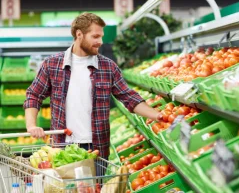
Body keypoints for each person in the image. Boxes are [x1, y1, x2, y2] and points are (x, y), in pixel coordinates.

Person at [23, 12, 162, 160]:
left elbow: (129, 98)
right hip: (63, 147)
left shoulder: (108, 67)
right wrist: (31, 125)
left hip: (97, 149)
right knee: (67, 184)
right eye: (95, 37)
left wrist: (158, 116)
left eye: (101, 36)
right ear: (79, 34)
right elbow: (34, 95)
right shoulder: (53, 64)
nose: (101, 41)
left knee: (95, 184)